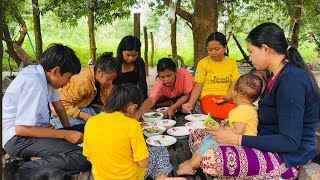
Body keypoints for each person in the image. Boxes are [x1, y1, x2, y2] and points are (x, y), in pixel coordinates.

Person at [190, 22, 320, 179]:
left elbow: (290, 142)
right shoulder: (276, 74)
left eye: (251, 52)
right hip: (264, 138)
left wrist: (237, 139)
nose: (250, 57)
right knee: (197, 134)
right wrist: (229, 129)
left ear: (265, 49)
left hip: (286, 158)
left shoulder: (291, 80)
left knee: (211, 159)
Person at [2, 44, 91, 179]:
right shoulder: (34, 83)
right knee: (83, 156)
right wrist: (65, 135)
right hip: (17, 139)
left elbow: (60, 108)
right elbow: (21, 129)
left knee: (87, 127)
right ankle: (19, 169)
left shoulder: (44, 75)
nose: (68, 83)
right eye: (68, 78)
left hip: (32, 133)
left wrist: (68, 131)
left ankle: (37, 158)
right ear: (56, 71)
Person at [83, 83, 186, 180]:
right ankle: (162, 176)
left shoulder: (91, 122)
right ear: (133, 108)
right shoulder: (132, 125)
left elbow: (88, 158)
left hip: (101, 176)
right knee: (160, 150)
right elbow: (143, 163)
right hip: (130, 177)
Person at [177, 73, 263, 175]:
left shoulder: (240, 111)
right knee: (208, 139)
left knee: (209, 144)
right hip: (244, 142)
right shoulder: (250, 109)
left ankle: (192, 165)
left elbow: (238, 131)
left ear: (234, 92)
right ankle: (192, 161)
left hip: (240, 144)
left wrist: (220, 130)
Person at [50, 52, 117, 128]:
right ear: (99, 72)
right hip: (69, 108)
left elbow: (108, 101)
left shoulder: (104, 82)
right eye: (108, 79)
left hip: (88, 107)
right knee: (93, 124)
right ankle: (55, 121)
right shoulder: (82, 82)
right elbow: (61, 104)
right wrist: (83, 115)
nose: (110, 82)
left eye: (112, 79)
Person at [182, 32, 240, 119]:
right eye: (210, 50)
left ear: (225, 47)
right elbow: (198, 85)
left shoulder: (232, 62)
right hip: (209, 99)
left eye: (217, 49)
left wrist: (228, 97)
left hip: (229, 97)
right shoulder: (203, 63)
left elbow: (234, 83)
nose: (213, 53)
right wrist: (191, 102)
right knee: (235, 113)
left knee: (244, 108)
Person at [113, 35, 148, 100]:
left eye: (134, 55)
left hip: (133, 97)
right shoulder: (114, 63)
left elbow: (142, 84)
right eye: (128, 55)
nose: (131, 58)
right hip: (116, 98)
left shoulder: (139, 62)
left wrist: (144, 103)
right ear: (121, 52)